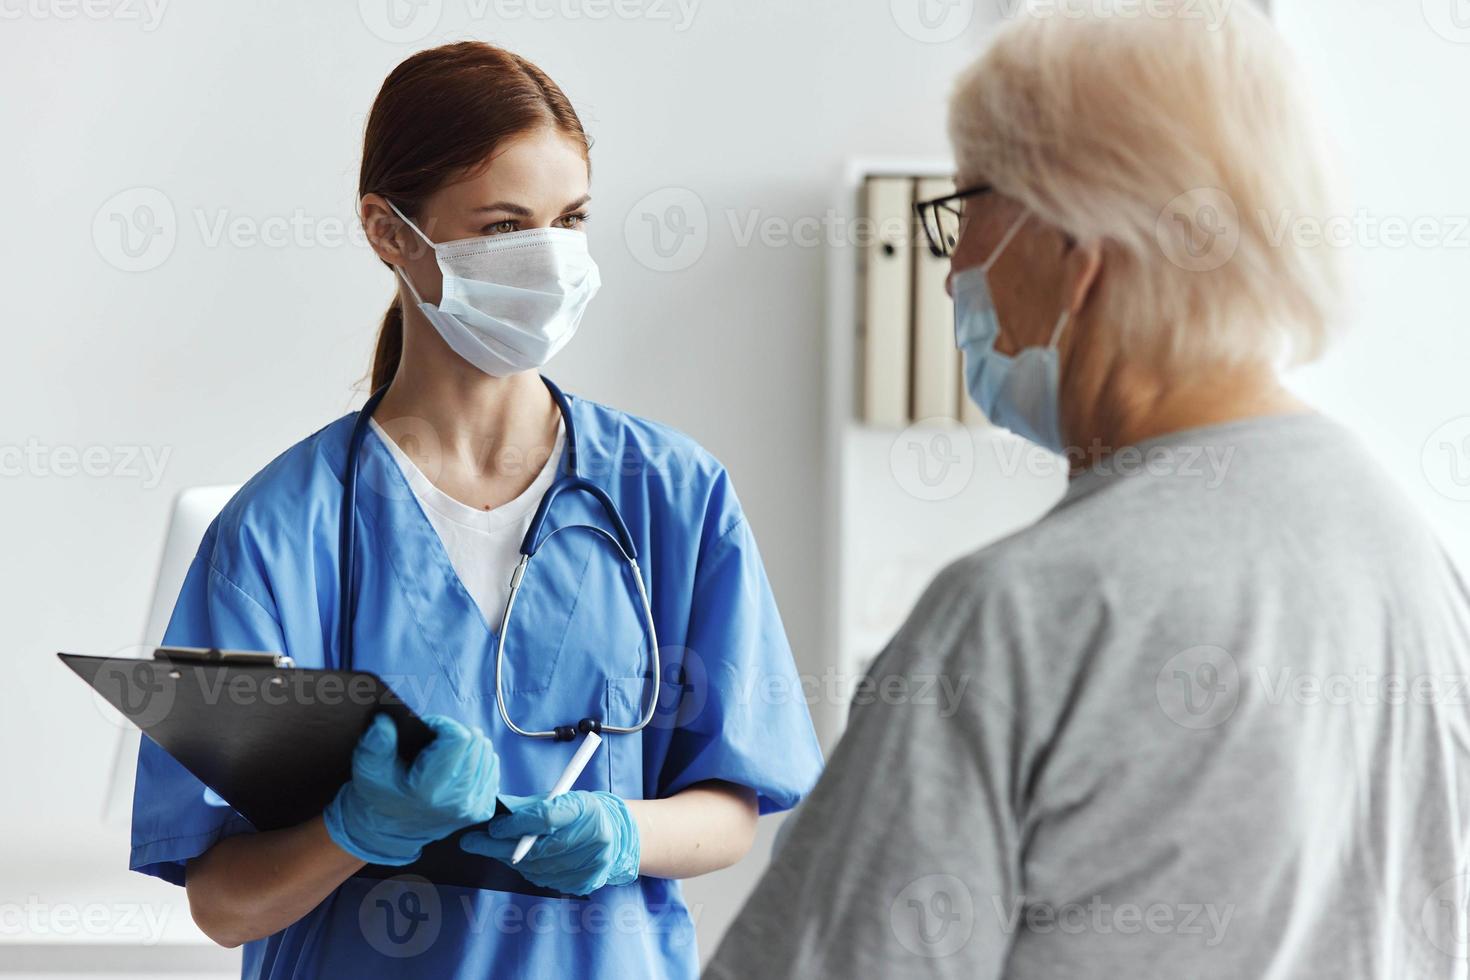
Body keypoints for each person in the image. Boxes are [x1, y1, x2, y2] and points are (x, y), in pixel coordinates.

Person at [707, 4, 1470, 978]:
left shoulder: (1021, 615)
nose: (951, 275)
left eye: (967, 205)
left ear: (1078, 252)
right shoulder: (1415, 562)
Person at [129, 42, 822, 979]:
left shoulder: (671, 493)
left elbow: (732, 808)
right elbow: (222, 902)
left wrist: (623, 831)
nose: (548, 258)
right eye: (503, 228)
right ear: (389, 231)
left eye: (570, 219)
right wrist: (353, 830)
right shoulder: (277, 533)